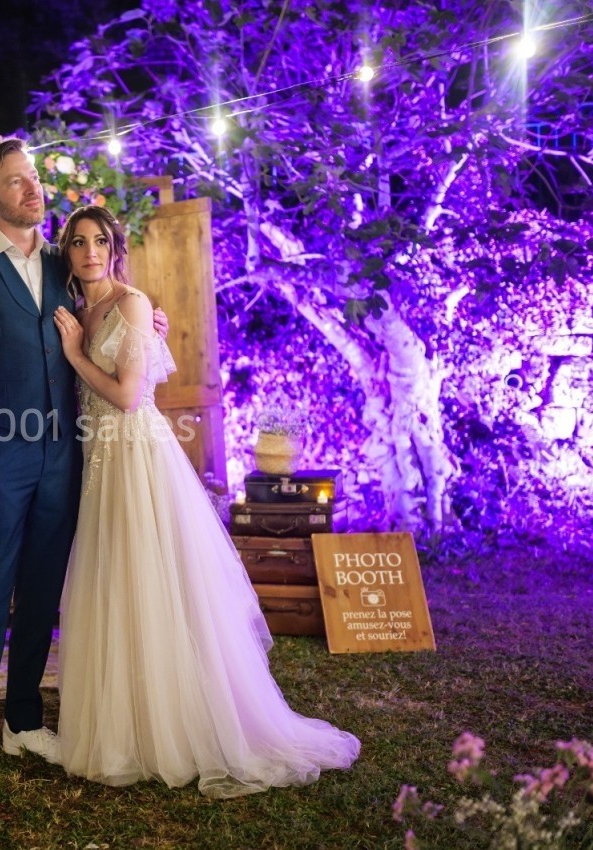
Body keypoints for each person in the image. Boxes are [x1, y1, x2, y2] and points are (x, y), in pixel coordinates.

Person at [50, 205, 361, 798]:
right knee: (116, 584)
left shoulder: (133, 304)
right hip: (99, 461)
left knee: (156, 580)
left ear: (115, 248)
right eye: (78, 243)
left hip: (136, 458)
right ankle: (128, 725)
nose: (90, 252)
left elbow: (126, 394)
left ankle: (183, 724)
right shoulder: (81, 311)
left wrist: (74, 356)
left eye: (100, 241)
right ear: (68, 252)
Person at [0, 139, 167, 817]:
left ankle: (23, 722)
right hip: (1, 455)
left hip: (69, 457)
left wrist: (151, 325)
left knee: (41, 594)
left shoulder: (66, 265)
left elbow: (116, 307)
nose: (33, 189)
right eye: (15, 182)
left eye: (34, 178)